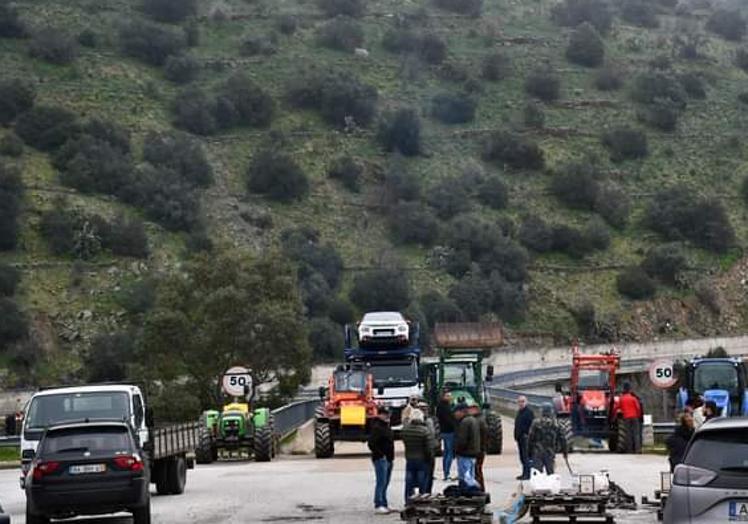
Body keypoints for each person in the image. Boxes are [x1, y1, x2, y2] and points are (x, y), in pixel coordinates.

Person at [401, 408, 434, 503]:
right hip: (422, 459)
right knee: (422, 480)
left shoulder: (405, 430)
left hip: (410, 458)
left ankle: (408, 499)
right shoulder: (424, 431)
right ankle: (422, 500)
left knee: (409, 480)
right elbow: (428, 448)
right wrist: (430, 459)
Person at [368, 407, 395, 514]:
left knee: (386, 482)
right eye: (385, 414)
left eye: (388, 414)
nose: (387, 416)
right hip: (381, 459)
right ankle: (378, 504)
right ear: (380, 415)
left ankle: (384, 503)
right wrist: (381, 455)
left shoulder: (386, 426)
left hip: (388, 458)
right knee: (381, 482)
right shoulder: (377, 427)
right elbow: (371, 443)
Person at [527, 403, 566, 474]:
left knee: (537, 474)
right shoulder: (556, 424)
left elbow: (530, 438)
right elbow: (563, 439)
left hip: (538, 451)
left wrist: (529, 452)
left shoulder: (536, 423)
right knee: (550, 474)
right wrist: (564, 452)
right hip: (550, 452)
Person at [454, 403, 481, 490]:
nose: (454, 414)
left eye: (456, 412)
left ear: (461, 412)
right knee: (470, 476)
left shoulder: (465, 422)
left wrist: (457, 450)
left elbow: (462, 440)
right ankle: (473, 493)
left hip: (465, 454)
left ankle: (470, 493)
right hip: (473, 453)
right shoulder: (473, 420)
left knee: (465, 478)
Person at [419, 401, 438, 494]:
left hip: (430, 450)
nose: (424, 410)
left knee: (429, 475)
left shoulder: (431, 420)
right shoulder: (422, 422)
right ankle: (425, 493)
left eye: (425, 408)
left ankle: (427, 492)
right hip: (425, 452)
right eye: (422, 409)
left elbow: (436, 433)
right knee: (425, 475)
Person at [436, 391, 456, 481]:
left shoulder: (440, 406)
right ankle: (446, 473)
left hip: (443, 431)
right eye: (448, 396)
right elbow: (449, 420)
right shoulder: (446, 408)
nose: (450, 397)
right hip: (449, 432)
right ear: (444, 396)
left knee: (446, 452)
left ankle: (446, 472)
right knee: (449, 453)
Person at [514, 396, 534, 480]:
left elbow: (532, 426)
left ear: (526, 402)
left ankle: (527, 474)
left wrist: (528, 435)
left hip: (526, 438)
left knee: (526, 457)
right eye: (519, 402)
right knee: (522, 457)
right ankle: (524, 473)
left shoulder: (529, 412)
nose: (521, 403)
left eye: (523, 401)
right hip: (519, 438)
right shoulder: (519, 412)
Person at [620, 382, 643, 453]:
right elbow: (638, 408)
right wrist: (639, 416)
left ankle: (629, 450)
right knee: (636, 434)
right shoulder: (633, 399)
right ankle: (637, 449)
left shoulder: (622, 399)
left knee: (628, 434)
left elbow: (618, 407)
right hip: (635, 417)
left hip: (626, 418)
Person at [471, 406, 489, 491]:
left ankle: (480, 488)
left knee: (477, 470)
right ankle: (480, 488)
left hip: (478, 450)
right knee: (477, 470)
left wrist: (479, 449)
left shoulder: (478, 421)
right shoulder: (479, 420)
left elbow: (481, 437)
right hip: (480, 449)